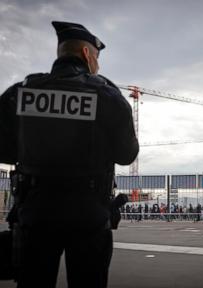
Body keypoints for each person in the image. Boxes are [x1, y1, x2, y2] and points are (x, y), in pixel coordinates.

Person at [0, 21, 139, 287]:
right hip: (89, 215)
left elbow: (3, 149)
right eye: (97, 58)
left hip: (35, 212)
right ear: (87, 55)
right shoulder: (106, 95)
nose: (97, 65)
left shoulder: (21, 92)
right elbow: (126, 154)